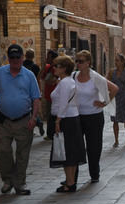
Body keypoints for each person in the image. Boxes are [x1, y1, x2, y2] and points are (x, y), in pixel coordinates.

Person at [0, 44, 41, 195]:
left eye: (18, 57)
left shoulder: (29, 75)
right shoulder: (0, 73)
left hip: (24, 120)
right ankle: (7, 180)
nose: (15, 60)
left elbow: (36, 98)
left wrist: (34, 118)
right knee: (3, 151)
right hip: (3, 120)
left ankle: (20, 183)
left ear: (23, 58)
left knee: (23, 154)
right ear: (8, 58)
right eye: (12, 57)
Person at [73, 50, 118, 183]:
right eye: (77, 61)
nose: (78, 64)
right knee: (76, 146)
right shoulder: (73, 76)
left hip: (94, 117)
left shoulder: (95, 77)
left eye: (80, 61)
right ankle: (72, 177)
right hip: (77, 116)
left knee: (94, 147)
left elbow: (114, 88)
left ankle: (94, 174)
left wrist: (104, 103)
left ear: (88, 62)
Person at [50, 55, 86, 193]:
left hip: (66, 119)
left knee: (66, 151)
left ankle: (70, 182)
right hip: (72, 118)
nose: (54, 68)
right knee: (71, 151)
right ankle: (70, 181)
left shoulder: (65, 83)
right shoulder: (69, 81)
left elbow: (63, 103)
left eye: (57, 66)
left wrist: (58, 121)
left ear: (64, 68)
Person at [23, 48, 45, 136]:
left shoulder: (22, 65)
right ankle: (38, 122)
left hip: (23, 89)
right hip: (32, 90)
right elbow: (37, 79)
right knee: (33, 108)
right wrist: (39, 90)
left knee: (26, 109)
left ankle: (32, 125)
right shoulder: (35, 67)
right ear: (33, 56)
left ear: (25, 56)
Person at [41, 50, 59, 140]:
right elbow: (41, 77)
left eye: (48, 57)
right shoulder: (48, 68)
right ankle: (50, 134)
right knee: (49, 116)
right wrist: (43, 65)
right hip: (48, 96)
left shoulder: (57, 68)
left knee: (54, 116)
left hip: (55, 97)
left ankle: (53, 134)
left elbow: (52, 81)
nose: (47, 59)